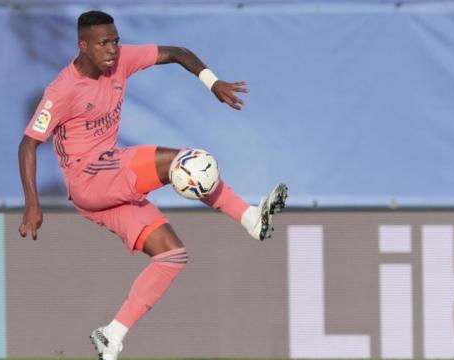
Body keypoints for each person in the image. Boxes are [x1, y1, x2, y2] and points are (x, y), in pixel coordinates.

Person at [18, 10, 288, 360]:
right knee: (185, 162)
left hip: (107, 186)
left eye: (114, 41)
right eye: (103, 43)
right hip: (90, 180)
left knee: (171, 256)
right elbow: (28, 144)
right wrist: (32, 203)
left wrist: (213, 82)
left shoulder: (121, 61)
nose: (112, 50)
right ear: (82, 46)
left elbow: (178, 53)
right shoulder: (62, 90)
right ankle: (248, 217)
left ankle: (112, 336)